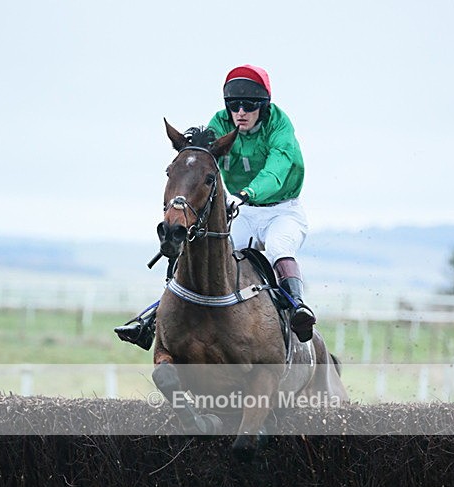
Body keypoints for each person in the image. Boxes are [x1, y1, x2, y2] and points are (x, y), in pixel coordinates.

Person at [114, 63, 315, 348]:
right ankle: (154, 318)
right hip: (243, 210)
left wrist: (248, 192)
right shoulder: (220, 123)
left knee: (279, 248)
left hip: (282, 211)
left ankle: (297, 308)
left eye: (249, 105)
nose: (240, 113)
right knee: (214, 258)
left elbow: (277, 168)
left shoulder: (280, 126)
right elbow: (203, 163)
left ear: (264, 107)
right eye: (234, 105)